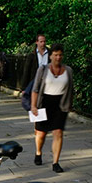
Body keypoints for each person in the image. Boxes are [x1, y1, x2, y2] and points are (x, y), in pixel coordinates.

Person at [30, 44, 73, 172]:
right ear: (50, 56)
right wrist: (33, 105)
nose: (58, 57)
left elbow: (71, 89)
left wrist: (70, 104)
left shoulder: (68, 71)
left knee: (58, 132)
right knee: (41, 134)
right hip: (44, 103)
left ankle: (56, 162)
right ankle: (38, 152)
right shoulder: (43, 70)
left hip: (60, 104)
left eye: (60, 55)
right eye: (55, 55)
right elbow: (35, 89)